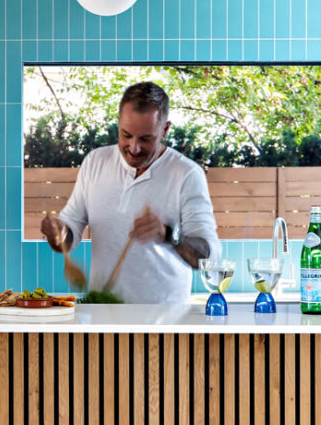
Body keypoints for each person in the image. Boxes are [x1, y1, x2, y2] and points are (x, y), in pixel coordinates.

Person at [39, 81, 219, 303]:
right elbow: (69, 236)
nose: (134, 148)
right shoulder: (95, 162)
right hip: (103, 311)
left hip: (164, 317)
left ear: (165, 129)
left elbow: (207, 257)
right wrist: (57, 232)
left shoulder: (187, 174)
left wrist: (168, 235)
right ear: (118, 123)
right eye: (126, 135)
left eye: (145, 139)